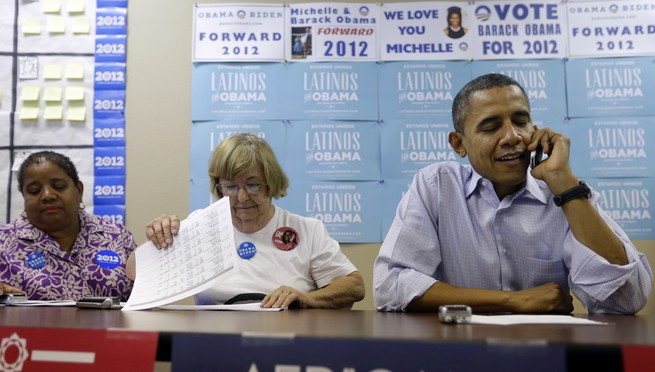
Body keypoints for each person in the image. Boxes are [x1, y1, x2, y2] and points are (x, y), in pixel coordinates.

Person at [374, 73, 652, 314]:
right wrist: (514, 300)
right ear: (459, 144)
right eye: (491, 127)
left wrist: (565, 185)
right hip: (458, 353)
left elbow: (626, 300)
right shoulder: (436, 186)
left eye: (521, 122)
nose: (513, 137)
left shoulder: (566, 193)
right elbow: (390, 286)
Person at [130, 133, 365, 309]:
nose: (241, 197)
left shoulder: (306, 230)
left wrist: (306, 298)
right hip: (215, 340)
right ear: (219, 187)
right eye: (231, 186)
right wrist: (158, 235)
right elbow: (132, 271)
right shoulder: (203, 226)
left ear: (271, 183)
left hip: (287, 337)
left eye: (252, 184)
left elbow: (354, 286)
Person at [0, 151, 137, 301]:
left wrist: (163, 237)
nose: (47, 195)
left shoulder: (117, 235)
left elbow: (145, 293)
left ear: (79, 190)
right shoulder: (3, 242)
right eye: (34, 190)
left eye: (58, 186)